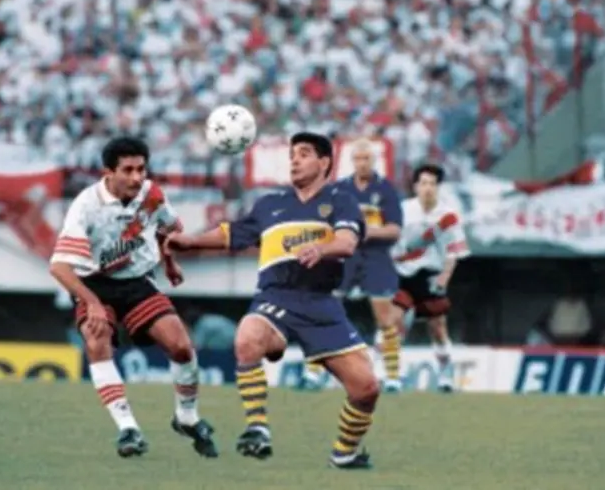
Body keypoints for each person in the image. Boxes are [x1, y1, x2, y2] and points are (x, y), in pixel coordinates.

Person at [168, 132, 380, 470]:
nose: (294, 159)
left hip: (322, 304)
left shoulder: (341, 201)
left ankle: (345, 452)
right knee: (247, 336)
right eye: (292, 154)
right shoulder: (270, 204)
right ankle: (257, 429)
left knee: (367, 388)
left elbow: (346, 242)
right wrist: (190, 241)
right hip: (276, 297)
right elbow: (231, 233)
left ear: (325, 162)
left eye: (304, 153)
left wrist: (321, 248)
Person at [49, 136, 218, 459]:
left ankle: (187, 417)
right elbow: (58, 267)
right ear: (108, 172)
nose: (136, 177)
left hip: (137, 281)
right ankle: (128, 428)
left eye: (141, 169)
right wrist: (93, 304)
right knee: (97, 340)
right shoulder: (86, 206)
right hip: (94, 284)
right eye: (127, 170)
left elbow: (168, 228)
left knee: (181, 346)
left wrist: (169, 261)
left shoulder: (151, 194)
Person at [300, 139, 404, 392]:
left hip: (375, 257)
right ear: (352, 161)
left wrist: (368, 232)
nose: (362, 163)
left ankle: (392, 377)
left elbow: (395, 229)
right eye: (358, 158)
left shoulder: (386, 190)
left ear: (374, 160)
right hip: (345, 256)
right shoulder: (340, 189)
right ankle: (314, 373)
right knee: (326, 311)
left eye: (367, 158)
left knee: (386, 318)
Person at [389, 164, 470, 392]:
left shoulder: (448, 216)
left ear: (438, 187)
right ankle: (393, 377)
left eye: (432, 184)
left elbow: (454, 250)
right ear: (415, 186)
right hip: (404, 274)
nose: (427, 188)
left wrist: (444, 276)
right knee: (394, 322)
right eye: (423, 183)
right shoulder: (403, 210)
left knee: (437, 328)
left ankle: (445, 374)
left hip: (431, 275)